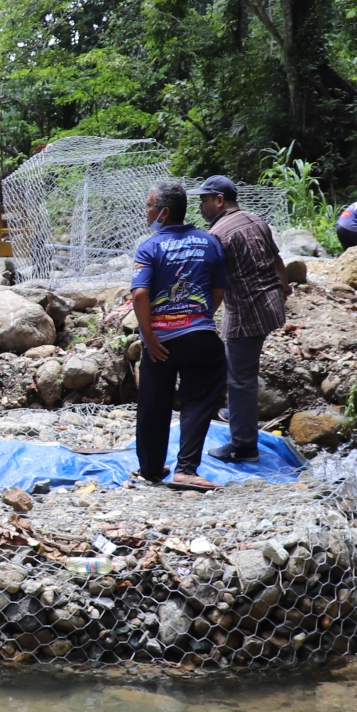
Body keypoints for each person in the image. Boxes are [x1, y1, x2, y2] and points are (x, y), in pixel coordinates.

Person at [131, 181, 229, 490]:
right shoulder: (210, 242)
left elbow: (139, 296)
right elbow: (218, 291)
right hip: (201, 337)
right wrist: (197, 319)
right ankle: (186, 469)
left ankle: (149, 469)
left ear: (164, 211)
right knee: (198, 401)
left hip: (161, 341)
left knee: (152, 403)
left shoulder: (149, 247)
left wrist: (149, 338)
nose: (146, 212)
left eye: (149, 206)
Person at [193, 175, 289, 464]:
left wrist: (203, 315)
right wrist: (283, 290)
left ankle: (244, 445)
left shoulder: (218, 235)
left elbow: (215, 287)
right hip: (270, 306)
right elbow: (277, 262)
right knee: (240, 370)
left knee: (241, 379)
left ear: (219, 200)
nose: (201, 206)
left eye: (204, 200)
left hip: (246, 313)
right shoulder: (256, 220)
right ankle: (238, 415)